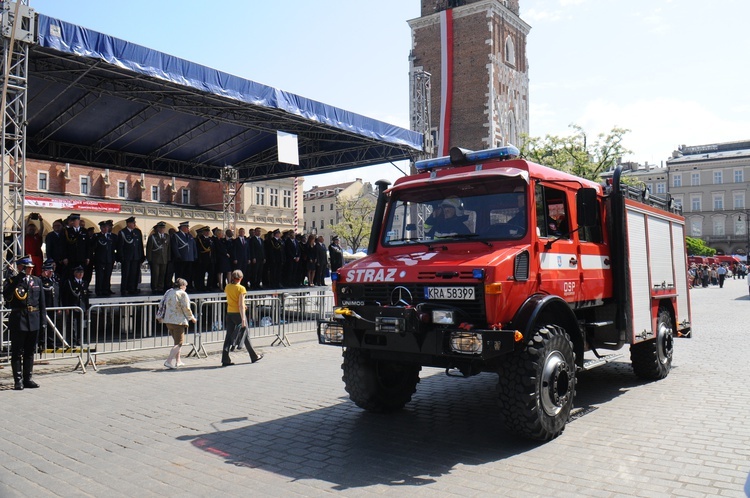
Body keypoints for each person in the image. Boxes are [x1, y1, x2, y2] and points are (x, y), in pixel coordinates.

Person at [4, 256, 46, 390]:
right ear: (21, 267)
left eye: (31, 268)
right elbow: (7, 296)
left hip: (33, 319)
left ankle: (28, 378)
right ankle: (18, 380)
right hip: (19, 320)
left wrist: (42, 322)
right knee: (17, 352)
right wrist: (17, 278)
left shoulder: (37, 281)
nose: (30, 270)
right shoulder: (13, 281)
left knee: (29, 351)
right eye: (27, 268)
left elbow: (42, 305)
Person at [221, 270, 263, 366]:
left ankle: (225, 358)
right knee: (245, 334)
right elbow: (240, 304)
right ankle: (253, 356)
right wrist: (243, 318)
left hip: (229, 312)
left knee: (228, 336)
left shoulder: (227, 287)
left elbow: (232, 300)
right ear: (241, 278)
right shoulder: (241, 288)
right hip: (238, 313)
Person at [160, 278, 197, 369]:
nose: (186, 288)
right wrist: (192, 318)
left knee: (176, 342)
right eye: (185, 286)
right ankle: (169, 361)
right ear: (181, 286)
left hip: (168, 320)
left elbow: (161, 303)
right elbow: (186, 308)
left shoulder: (169, 292)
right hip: (178, 321)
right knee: (179, 343)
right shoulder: (182, 294)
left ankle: (178, 361)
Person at [61, 265, 88, 346]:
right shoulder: (70, 282)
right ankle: (73, 340)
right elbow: (65, 296)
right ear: (75, 273)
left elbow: (85, 297)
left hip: (81, 307)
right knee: (73, 325)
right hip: (73, 306)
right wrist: (66, 307)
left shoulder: (84, 283)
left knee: (81, 325)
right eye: (79, 272)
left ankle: (80, 339)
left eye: (82, 273)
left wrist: (87, 308)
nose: (80, 274)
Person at [117, 216, 144, 295]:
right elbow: (120, 246)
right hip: (126, 257)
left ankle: (133, 288)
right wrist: (121, 256)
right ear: (128, 223)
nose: (134, 224)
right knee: (126, 274)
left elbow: (140, 245)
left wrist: (141, 255)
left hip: (136, 256)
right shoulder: (123, 232)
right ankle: (124, 289)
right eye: (133, 223)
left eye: (134, 223)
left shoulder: (137, 232)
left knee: (134, 273)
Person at [146, 221, 171, 295]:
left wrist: (168, 258)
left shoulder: (167, 236)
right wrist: (149, 259)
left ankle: (161, 287)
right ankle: (154, 287)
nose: (162, 229)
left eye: (163, 228)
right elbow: (149, 248)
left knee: (162, 274)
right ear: (158, 228)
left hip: (164, 259)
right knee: (155, 274)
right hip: (155, 259)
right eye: (160, 228)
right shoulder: (153, 237)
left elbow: (168, 248)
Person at [93, 220, 116, 296]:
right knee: (100, 276)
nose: (106, 229)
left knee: (107, 275)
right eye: (104, 227)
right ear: (101, 228)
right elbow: (93, 248)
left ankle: (106, 289)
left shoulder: (110, 237)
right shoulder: (97, 236)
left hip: (109, 259)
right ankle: (99, 290)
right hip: (100, 259)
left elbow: (112, 249)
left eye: (106, 227)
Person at [172, 221, 197, 289]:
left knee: (188, 274)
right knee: (180, 274)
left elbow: (193, 246)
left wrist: (195, 255)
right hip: (181, 258)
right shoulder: (176, 235)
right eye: (186, 227)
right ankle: (179, 286)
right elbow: (175, 246)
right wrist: (178, 255)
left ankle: (187, 287)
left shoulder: (190, 236)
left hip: (189, 258)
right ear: (182, 228)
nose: (187, 228)